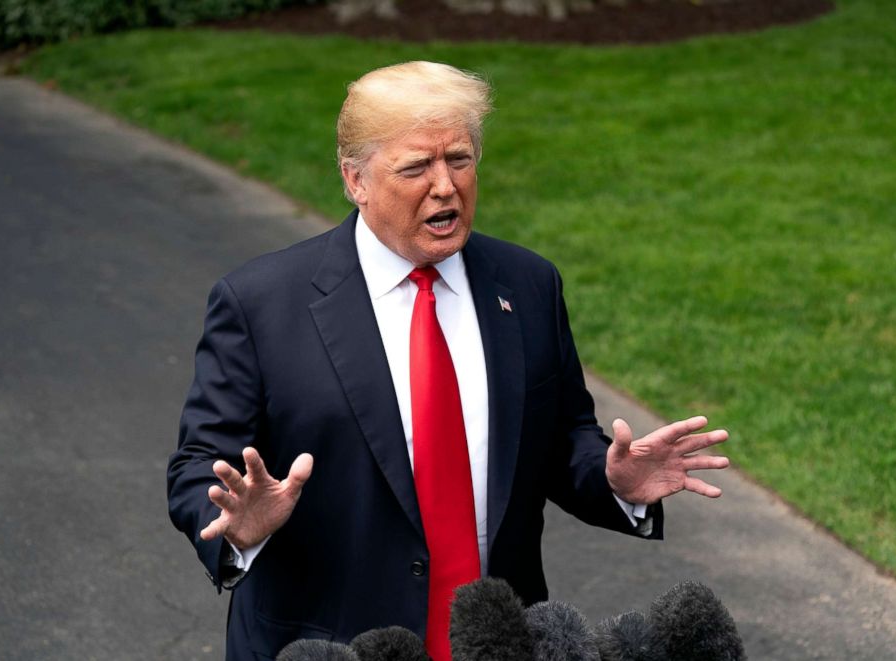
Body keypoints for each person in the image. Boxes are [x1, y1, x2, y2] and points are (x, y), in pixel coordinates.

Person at [167, 61, 730, 661]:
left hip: (498, 640)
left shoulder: (527, 284)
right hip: (330, 644)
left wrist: (616, 482)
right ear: (354, 179)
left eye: (459, 160)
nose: (445, 187)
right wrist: (235, 525)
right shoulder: (261, 302)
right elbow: (200, 463)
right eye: (416, 167)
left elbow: (564, 438)